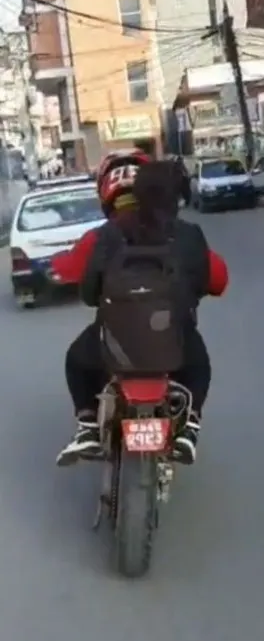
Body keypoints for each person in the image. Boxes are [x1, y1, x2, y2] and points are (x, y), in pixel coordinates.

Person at [52, 154, 228, 468]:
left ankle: (89, 426)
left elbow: (90, 292)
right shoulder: (188, 234)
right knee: (199, 366)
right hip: (174, 337)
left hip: (114, 341)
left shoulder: (105, 235)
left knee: (77, 361)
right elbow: (214, 282)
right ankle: (190, 428)